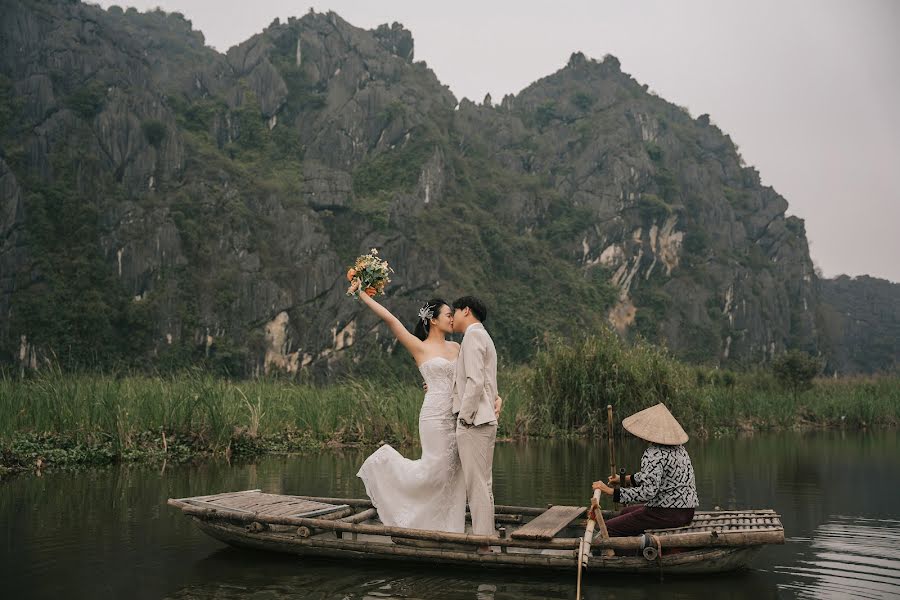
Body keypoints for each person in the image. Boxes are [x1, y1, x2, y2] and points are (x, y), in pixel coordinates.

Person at [352, 283, 467, 533]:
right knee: (433, 470)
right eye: (448, 314)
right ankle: (383, 465)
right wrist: (361, 293)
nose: (452, 318)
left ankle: (448, 529)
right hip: (434, 417)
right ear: (433, 320)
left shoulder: (457, 347)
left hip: (456, 416)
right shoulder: (419, 346)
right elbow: (390, 319)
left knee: (453, 473)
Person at [591, 403, 698, 537]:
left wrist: (611, 492)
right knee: (625, 512)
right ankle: (634, 547)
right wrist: (626, 479)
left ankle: (621, 554)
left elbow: (647, 492)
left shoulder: (653, 454)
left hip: (667, 514)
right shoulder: (680, 449)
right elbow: (653, 476)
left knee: (606, 529)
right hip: (686, 512)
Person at [450, 296, 499, 553]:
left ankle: (483, 543)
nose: (452, 318)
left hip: (475, 422)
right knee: (483, 483)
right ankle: (486, 537)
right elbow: (489, 383)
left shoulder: (472, 336)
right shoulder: (483, 336)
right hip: (484, 419)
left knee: (476, 484)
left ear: (466, 310)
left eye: (454, 311)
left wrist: (464, 417)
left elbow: (475, 381)